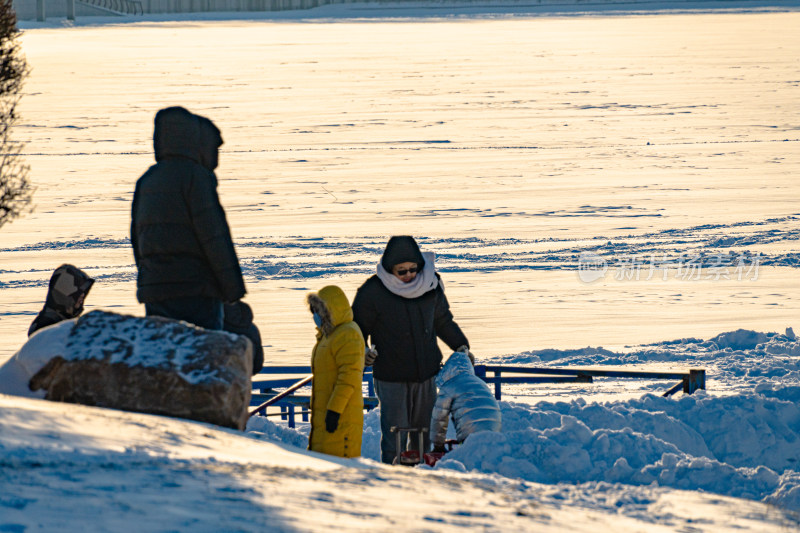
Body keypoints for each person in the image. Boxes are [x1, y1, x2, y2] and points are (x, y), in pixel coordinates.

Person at [352, 235, 471, 464]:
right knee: (396, 434)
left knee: (423, 433)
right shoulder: (373, 291)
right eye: (402, 271)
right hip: (391, 377)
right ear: (389, 270)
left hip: (426, 374)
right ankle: (393, 479)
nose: (408, 276)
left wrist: (461, 346)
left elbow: (443, 321)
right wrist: (362, 352)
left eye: (412, 269)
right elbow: (356, 328)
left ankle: (419, 479)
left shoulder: (430, 284)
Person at [130, 106, 246, 330]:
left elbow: (137, 239)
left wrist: (150, 278)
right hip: (196, 290)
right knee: (202, 355)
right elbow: (213, 236)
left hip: (156, 291)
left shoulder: (146, 180)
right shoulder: (195, 177)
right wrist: (233, 290)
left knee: (165, 356)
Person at [306, 285, 365, 458]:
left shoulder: (348, 334)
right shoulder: (328, 335)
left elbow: (349, 376)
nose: (315, 316)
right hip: (325, 415)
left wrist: (334, 410)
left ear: (330, 310)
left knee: (340, 468)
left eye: (318, 311)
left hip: (342, 417)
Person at [429, 350, 502, 452]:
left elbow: (439, 418)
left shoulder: (449, 385)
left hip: (470, 433)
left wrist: (438, 445)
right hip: (494, 430)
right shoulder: (480, 382)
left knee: (469, 458)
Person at [28, 264, 94, 337]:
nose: (82, 296)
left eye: (83, 292)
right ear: (65, 292)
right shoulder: (46, 326)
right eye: (78, 292)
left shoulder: (66, 318)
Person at [223, 301, 264, 376]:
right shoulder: (252, 328)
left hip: (218, 379)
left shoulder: (216, 328)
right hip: (244, 378)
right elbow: (257, 364)